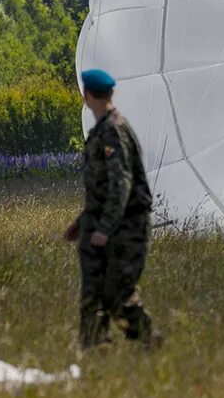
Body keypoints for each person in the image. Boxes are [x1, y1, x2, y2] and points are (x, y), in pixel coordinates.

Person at [63, 68, 160, 350]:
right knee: (93, 296)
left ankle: (149, 339)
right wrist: (82, 223)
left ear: (86, 95)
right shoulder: (102, 131)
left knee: (117, 293)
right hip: (101, 224)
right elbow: (103, 190)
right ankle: (94, 350)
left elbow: (121, 184)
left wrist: (104, 229)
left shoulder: (113, 132)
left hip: (125, 227)